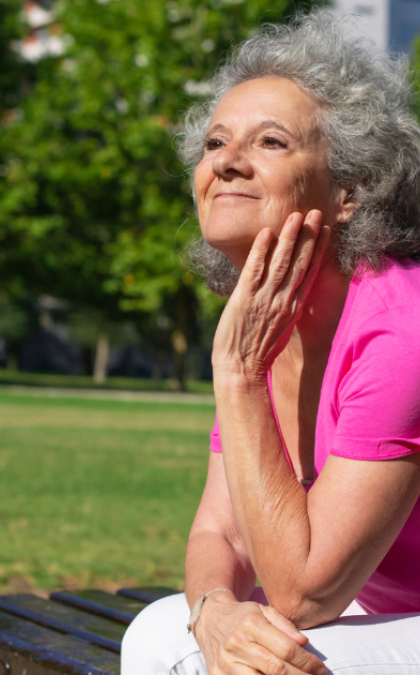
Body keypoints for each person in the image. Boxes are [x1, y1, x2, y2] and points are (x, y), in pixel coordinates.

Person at [121, 11, 420, 675]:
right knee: (158, 630)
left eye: (271, 143)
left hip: (369, 610)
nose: (226, 161)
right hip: (374, 612)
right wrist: (213, 610)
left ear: (351, 190)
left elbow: (303, 592)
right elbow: (220, 531)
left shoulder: (402, 327)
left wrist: (237, 375)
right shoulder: (267, 313)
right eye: (215, 144)